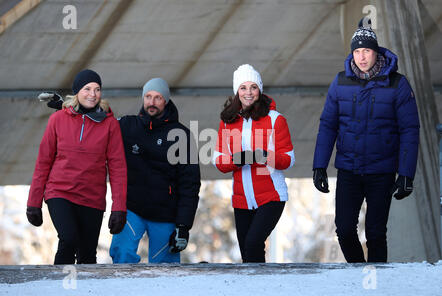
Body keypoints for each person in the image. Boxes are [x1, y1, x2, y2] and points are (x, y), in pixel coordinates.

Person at [312, 19, 420, 263]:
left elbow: (410, 130)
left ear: (375, 51)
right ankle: (360, 273)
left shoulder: (397, 84)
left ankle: (377, 287)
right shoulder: (340, 82)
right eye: (357, 51)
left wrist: (406, 174)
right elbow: (328, 125)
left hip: (381, 171)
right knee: (345, 229)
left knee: (375, 233)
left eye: (367, 50)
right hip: (349, 170)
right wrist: (319, 165)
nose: (362, 57)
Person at [27, 69, 128, 265]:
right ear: (76, 91)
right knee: (69, 239)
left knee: (87, 254)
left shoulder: (109, 125)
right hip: (60, 192)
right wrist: (34, 202)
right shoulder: (57, 120)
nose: (93, 94)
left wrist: (119, 208)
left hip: (92, 197)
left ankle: (84, 294)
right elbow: (43, 162)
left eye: (97, 89)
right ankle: (59, 290)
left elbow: (118, 169)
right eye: (87, 88)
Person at [109, 78, 201, 263]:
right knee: (122, 253)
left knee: (165, 269)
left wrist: (183, 226)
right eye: (148, 97)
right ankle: (125, 291)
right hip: (132, 209)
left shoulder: (181, 135)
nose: (152, 102)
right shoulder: (127, 126)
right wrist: (70, 108)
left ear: (165, 101)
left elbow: (190, 183)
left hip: (165, 213)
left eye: (157, 97)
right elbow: (100, 123)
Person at [213, 64, 295, 263]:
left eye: (253, 87)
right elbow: (219, 161)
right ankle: (257, 292)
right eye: (243, 88)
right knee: (247, 255)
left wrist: (265, 155)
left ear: (260, 90)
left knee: (253, 244)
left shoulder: (276, 119)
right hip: (241, 199)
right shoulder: (227, 121)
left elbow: (288, 159)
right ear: (236, 92)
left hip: (272, 196)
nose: (248, 93)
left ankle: (262, 291)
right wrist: (238, 159)